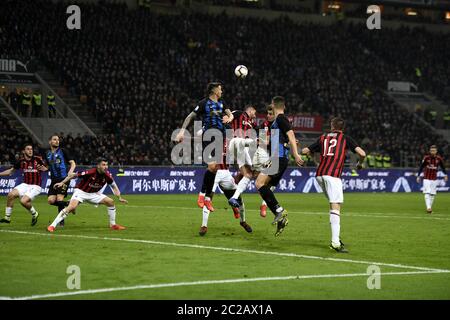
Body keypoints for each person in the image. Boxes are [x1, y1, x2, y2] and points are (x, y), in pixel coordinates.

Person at [302, 117, 366, 253]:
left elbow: (305, 151)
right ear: (342, 128)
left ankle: (336, 238)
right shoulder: (345, 138)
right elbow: (362, 153)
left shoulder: (322, 138)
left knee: (333, 206)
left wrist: (314, 159)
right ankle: (335, 242)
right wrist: (360, 164)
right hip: (333, 176)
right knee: (335, 207)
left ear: (332, 126)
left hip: (320, 175)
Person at [175, 82, 233, 212]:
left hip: (220, 136)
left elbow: (230, 114)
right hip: (209, 135)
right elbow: (190, 116)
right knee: (212, 166)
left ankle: (207, 199)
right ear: (214, 90)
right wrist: (181, 131)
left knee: (215, 168)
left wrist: (230, 117)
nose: (222, 91)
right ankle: (202, 196)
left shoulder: (223, 102)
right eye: (220, 89)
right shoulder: (203, 103)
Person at [255, 96, 303, 237]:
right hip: (278, 158)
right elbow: (281, 140)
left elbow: (291, 135)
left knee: (259, 183)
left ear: (273, 105)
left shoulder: (281, 119)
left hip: (278, 158)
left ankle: (279, 211)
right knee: (266, 187)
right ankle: (280, 217)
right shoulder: (276, 122)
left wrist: (296, 154)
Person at [47, 158, 128, 232]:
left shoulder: (107, 176)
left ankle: (113, 225)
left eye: (106, 165)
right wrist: (62, 183)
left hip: (93, 194)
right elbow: (73, 175)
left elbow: (114, 186)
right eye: (103, 165)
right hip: (81, 192)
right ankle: (52, 225)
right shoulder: (90, 172)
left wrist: (119, 197)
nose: (106, 167)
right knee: (71, 207)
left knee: (110, 202)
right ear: (98, 166)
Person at [0, 143, 47, 226]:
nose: (30, 151)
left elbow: (47, 167)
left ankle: (34, 213)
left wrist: (46, 169)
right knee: (11, 194)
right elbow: (11, 171)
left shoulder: (37, 159)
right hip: (25, 184)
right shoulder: (21, 161)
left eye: (31, 149)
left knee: (23, 201)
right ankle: (7, 217)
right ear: (24, 151)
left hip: (36, 185)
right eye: (28, 149)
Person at [227, 105, 257, 208]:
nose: (255, 115)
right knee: (252, 142)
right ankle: (256, 164)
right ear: (250, 110)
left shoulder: (252, 123)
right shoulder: (240, 113)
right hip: (236, 141)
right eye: (254, 112)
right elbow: (229, 115)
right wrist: (227, 118)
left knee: (248, 175)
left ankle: (234, 197)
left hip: (241, 149)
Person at [46, 134, 76, 226]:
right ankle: (70, 204)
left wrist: (70, 173)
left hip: (63, 179)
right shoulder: (47, 154)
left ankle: (61, 221)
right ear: (50, 142)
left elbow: (73, 163)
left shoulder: (63, 151)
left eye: (58, 140)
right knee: (51, 201)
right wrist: (44, 168)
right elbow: (49, 166)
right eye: (54, 139)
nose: (57, 141)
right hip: (54, 180)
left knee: (59, 199)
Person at [252, 105, 276, 218]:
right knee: (264, 182)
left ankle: (264, 204)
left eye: (271, 114)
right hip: (264, 155)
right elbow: (263, 142)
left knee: (268, 183)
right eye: (268, 113)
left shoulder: (280, 125)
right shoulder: (264, 125)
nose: (268, 116)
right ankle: (264, 204)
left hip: (273, 156)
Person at [416, 145, 448, 214]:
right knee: (427, 192)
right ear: (430, 151)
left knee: (433, 194)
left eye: (434, 150)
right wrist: (418, 176)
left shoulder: (439, 158)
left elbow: (443, 167)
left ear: (436, 151)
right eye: (431, 151)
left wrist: (445, 175)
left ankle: (429, 207)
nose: (432, 152)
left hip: (434, 178)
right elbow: (421, 167)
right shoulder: (426, 158)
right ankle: (428, 208)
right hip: (426, 178)